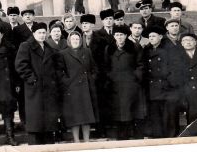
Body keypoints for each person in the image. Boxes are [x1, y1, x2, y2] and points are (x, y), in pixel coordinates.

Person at [15, 22, 60, 145]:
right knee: (36, 121)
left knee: (48, 122)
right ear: (33, 33)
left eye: (44, 33)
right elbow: (20, 65)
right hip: (34, 89)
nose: (42, 35)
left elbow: (55, 66)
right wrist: (32, 79)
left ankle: (48, 143)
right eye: (39, 32)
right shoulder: (26, 46)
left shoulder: (48, 47)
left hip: (48, 89)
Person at [142, 26, 186, 138]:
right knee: (156, 116)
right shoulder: (147, 50)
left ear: (160, 37)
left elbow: (177, 68)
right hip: (153, 89)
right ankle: (158, 139)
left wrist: (170, 82)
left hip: (168, 89)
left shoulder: (170, 49)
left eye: (154, 36)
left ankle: (171, 139)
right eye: (150, 36)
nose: (151, 38)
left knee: (169, 116)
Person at [55, 31, 98, 142]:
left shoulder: (87, 51)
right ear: (69, 40)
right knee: (75, 117)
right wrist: (67, 82)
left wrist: (91, 79)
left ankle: (87, 140)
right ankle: (76, 141)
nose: (75, 41)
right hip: (72, 89)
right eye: (73, 39)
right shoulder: (63, 53)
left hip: (86, 89)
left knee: (86, 116)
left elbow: (94, 68)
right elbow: (60, 72)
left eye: (77, 39)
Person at [104, 25, 145, 140]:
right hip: (115, 85)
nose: (119, 37)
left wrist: (135, 78)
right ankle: (120, 137)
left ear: (126, 36)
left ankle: (130, 135)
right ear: (114, 36)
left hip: (130, 84)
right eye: (117, 35)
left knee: (129, 111)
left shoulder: (134, 47)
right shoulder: (109, 48)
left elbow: (140, 64)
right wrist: (109, 77)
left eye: (122, 35)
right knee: (118, 111)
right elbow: (106, 66)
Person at [89, 8, 116, 137]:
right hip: (103, 74)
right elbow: (94, 55)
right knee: (102, 101)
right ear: (102, 21)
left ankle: (115, 125)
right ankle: (103, 129)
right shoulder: (97, 34)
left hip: (117, 71)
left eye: (111, 18)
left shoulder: (120, 32)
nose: (109, 21)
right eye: (106, 19)